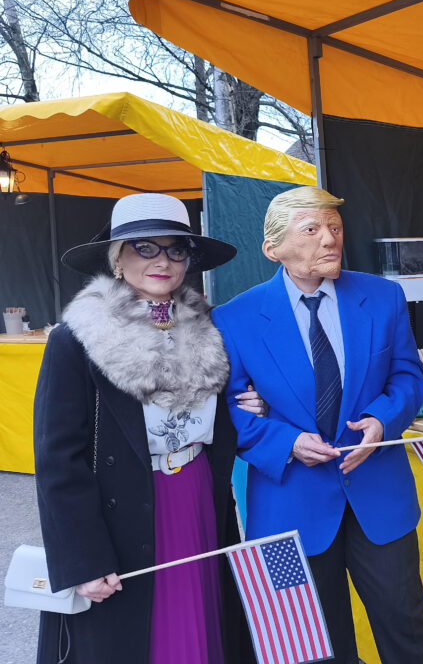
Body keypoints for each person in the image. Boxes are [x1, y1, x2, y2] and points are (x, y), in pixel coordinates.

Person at [210, 186, 423, 664]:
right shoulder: (234, 319)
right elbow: (227, 410)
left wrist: (381, 420)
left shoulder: (384, 297)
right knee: (310, 644)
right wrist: (286, 440)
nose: (330, 239)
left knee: (407, 623)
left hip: (380, 495)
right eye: (311, 229)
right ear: (273, 249)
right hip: (287, 505)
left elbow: (407, 377)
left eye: (334, 227)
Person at [34, 193, 253, 664]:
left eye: (176, 249)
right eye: (145, 247)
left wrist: (250, 405)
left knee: (202, 623)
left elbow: (217, 422)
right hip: (124, 511)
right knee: (137, 637)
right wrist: (84, 559)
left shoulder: (212, 330)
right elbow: (58, 459)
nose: (163, 261)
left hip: (197, 496)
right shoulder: (76, 340)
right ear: (118, 258)